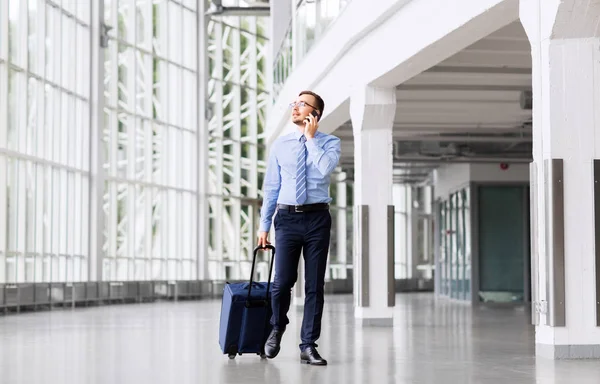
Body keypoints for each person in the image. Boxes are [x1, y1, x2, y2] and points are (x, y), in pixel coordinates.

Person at [257, 90, 341, 366]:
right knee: (281, 284)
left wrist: (311, 139)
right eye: (295, 103)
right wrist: (263, 226)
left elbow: (326, 167)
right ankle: (277, 326)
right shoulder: (280, 146)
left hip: (317, 219)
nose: (295, 107)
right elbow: (271, 188)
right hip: (287, 219)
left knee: (315, 286)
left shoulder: (330, 143)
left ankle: (308, 345)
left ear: (315, 113)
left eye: (303, 104)